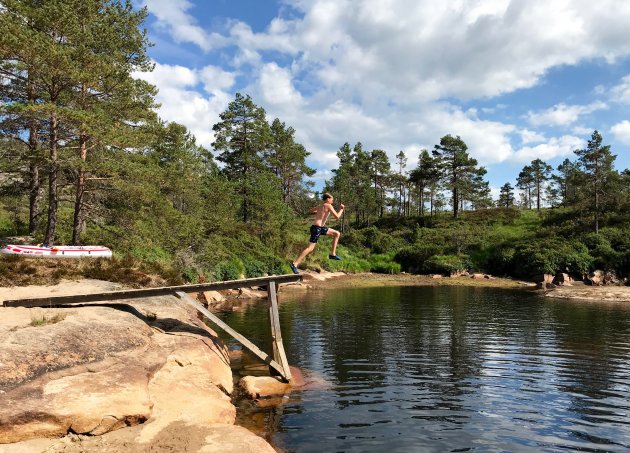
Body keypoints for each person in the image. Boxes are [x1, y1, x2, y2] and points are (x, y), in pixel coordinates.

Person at [290, 193, 345, 274]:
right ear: (327, 199)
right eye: (332, 199)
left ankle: (332, 254)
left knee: (337, 233)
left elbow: (311, 210)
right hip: (316, 229)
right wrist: (341, 209)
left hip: (319, 228)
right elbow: (337, 217)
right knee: (310, 248)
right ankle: (295, 264)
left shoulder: (320, 206)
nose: (332, 201)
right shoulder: (328, 205)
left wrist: (319, 212)